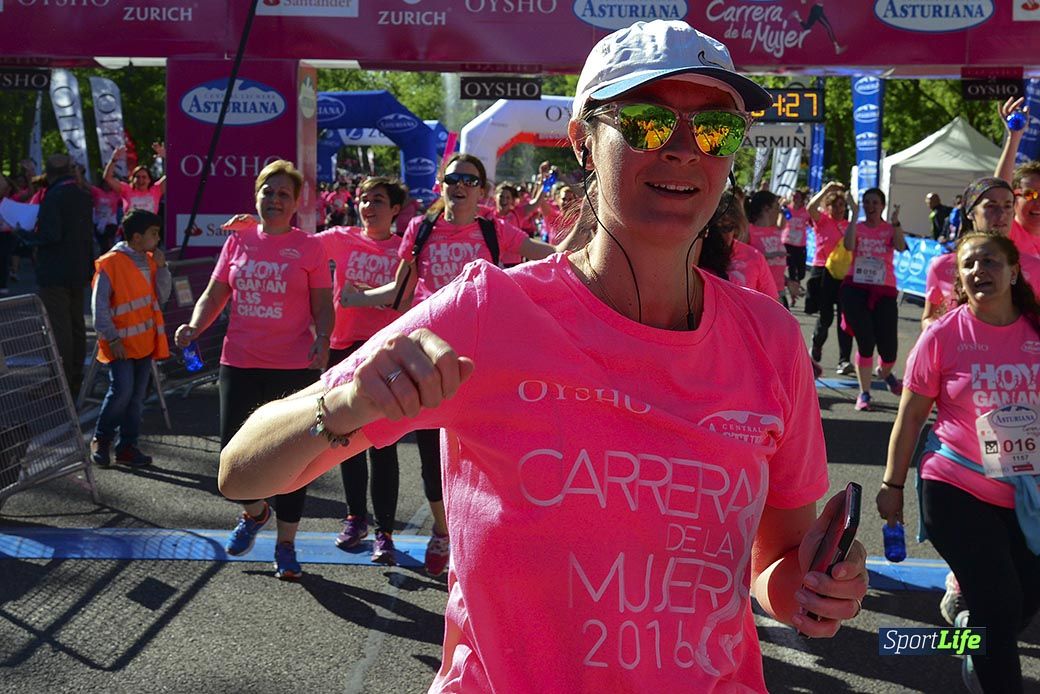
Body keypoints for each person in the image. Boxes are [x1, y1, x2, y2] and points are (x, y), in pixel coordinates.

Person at [219, 20, 867, 692]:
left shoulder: (769, 338)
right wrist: (347, 406)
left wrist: (812, 589)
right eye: (647, 123)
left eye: (715, 129)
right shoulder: (490, 311)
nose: (683, 150)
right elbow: (240, 469)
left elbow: (774, 562)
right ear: (584, 141)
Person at [338, 152, 570, 577]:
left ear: (481, 191)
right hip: (431, 360)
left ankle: (493, 536)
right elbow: (401, 292)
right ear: (441, 186)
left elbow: (550, 255)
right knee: (433, 459)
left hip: (486, 363)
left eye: (469, 180)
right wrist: (359, 298)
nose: (459, 185)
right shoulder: (421, 229)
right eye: (452, 178)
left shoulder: (493, 230)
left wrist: (590, 241)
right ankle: (443, 531)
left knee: (490, 454)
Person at [877, 232, 1040, 693]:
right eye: (968, 264)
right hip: (955, 485)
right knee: (999, 603)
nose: (978, 271)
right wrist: (891, 486)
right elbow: (911, 417)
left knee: (1023, 600)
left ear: (1013, 272)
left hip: (1024, 492)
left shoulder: (1035, 332)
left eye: (990, 261)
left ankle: (971, 635)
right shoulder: (943, 335)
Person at [174, 160, 333, 581]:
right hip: (239, 361)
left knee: (294, 459)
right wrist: (194, 326)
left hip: (294, 367)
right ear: (256, 196)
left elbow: (322, 305)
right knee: (232, 456)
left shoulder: (310, 247)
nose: (274, 200)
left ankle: (286, 545)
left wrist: (323, 339)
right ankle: (256, 511)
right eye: (268, 191)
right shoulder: (238, 241)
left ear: (295, 203)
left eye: (283, 194)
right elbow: (214, 295)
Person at [319, 176, 409, 565]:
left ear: (395, 209)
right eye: (363, 199)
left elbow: (405, 296)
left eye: (377, 200)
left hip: (386, 354)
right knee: (345, 439)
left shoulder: (406, 247)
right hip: (344, 351)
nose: (368, 206)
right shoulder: (341, 237)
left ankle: (384, 533)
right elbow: (296, 243)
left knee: (383, 444)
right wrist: (252, 228)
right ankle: (355, 518)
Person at [89, 210, 170, 468]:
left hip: (144, 343)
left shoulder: (151, 261)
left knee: (135, 397)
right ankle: (102, 439)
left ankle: (127, 446)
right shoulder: (110, 263)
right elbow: (99, 306)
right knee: (122, 392)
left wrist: (163, 267)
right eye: (154, 234)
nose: (158, 239)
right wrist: (112, 338)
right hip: (120, 344)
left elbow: (162, 295)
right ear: (137, 237)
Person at [922, 177, 1040, 328]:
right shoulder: (942, 266)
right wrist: (952, 333)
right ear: (971, 212)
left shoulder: (1035, 267)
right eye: (991, 206)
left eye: (1007, 206)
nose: (1001, 214)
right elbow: (929, 318)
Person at [25, 154, 94, 400]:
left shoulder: (54, 196)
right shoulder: (83, 194)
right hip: (78, 268)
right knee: (76, 325)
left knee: (58, 328)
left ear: (50, 174)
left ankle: (60, 382)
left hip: (55, 270)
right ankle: (74, 378)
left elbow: (50, 235)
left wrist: (24, 235)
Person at [840, 188, 906, 411]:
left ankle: (885, 373)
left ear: (882, 206)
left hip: (884, 290)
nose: (870, 206)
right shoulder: (857, 227)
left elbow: (900, 246)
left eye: (875, 202)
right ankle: (864, 393)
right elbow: (849, 246)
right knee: (865, 341)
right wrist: (853, 215)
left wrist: (896, 224)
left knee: (889, 350)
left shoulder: (889, 228)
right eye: (867, 202)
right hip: (856, 288)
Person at [805, 182, 854, 372]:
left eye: (842, 205)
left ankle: (844, 360)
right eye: (835, 205)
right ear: (827, 207)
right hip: (823, 271)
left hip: (844, 274)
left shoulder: (849, 226)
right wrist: (827, 189)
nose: (840, 209)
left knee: (845, 317)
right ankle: (817, 343)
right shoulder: (823, 221)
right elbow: (811, 207)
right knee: (825, 317)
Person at [699, 190, 778, 299]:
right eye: (714, 229)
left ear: (736, 228)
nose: (719, 235)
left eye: (726, 228)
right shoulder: (692, 255)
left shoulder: (754, 257)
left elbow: (772, 303)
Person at [996, 97, 1040, 258]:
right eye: (1030, 194)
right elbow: (999, 194)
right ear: (1013, 199)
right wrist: (1014, 137)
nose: (1038, 203)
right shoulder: (1008, 232)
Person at [745, 190, 788, 304]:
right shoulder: (749, 231)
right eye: (777, 206)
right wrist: (764, 256)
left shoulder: (775, 230)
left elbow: (774, 268)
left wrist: (789, 282)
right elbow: (739, 259)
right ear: (766, 208)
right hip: (758, 294)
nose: (779, 210)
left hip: (779, 291)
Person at [104, 144, 166, 215]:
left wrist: (167, 157)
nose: (140, 180)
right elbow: (108, 178)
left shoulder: (156, 190)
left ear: (149, 180)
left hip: (151, 222)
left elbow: (173, 174)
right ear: (132, 179)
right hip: (131, 222)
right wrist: (113, 160)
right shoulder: (126, 190)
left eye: (144, 177)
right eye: (137, 177)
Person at [781, 188, 811, 292]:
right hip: (788, 243)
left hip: (800, 245)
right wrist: (782, 208)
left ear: (801, 199)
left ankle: (796, 284)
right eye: (793, 196)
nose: (794, 198)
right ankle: (793, 289)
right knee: (792, 269)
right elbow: (784, 221)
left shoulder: (806, 212)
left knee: (801, 272)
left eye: (797, 196)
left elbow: (812, 222)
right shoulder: (787, 209)